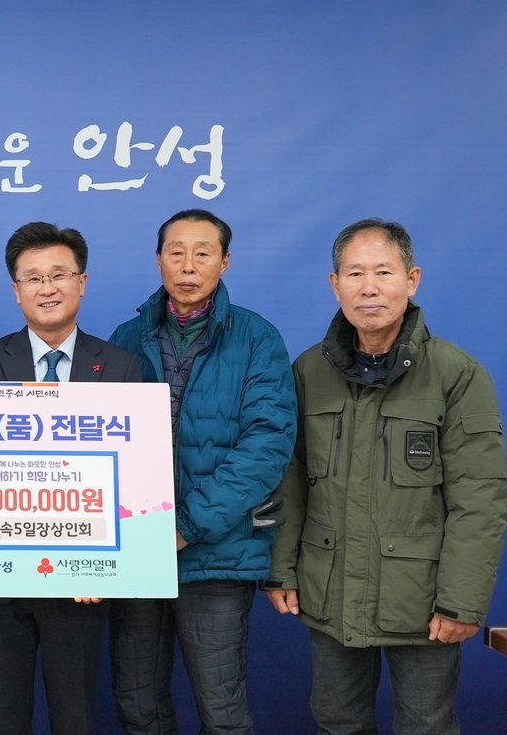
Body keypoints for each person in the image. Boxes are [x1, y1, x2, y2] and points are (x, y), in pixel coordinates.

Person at [264, 218, 507, 735]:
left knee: (426, 726)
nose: (369, 287)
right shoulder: (308, 372)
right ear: (335, 284)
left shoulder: (457, 374)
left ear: (412, 280)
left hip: (422, 601)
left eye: (383, 272)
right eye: (355, 274)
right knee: (337, 722)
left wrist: (461, 601)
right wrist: (281, 570)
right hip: (329, 590)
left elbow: (481, 497)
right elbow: (289, 480)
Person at [108, 209, 297, 735]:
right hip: (137, 554)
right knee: (138, 706)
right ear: (159, 260)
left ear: (224, 262)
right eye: (176, 252)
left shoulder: (256, 338)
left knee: (222, 711)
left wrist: (187, 527)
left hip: (216, 555)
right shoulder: (127, 336)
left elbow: (267, 444)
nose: (188, 265)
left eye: (203, 253)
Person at [0, 221, 140, 735]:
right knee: (5, 715)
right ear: (16, 291)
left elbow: (134, 472)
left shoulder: (122, 366)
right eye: (33, 278)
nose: (47, 288)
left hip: (83, 578)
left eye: (59, 275)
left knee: (75, 716)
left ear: (82, 282)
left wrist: (107, 566)